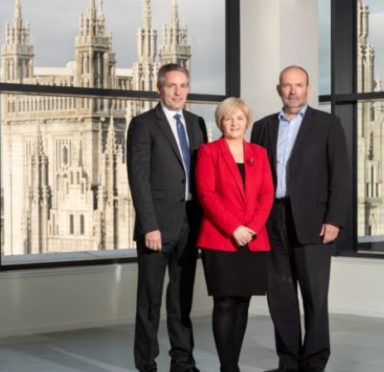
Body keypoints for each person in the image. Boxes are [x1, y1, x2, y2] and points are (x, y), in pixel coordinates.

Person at [251, 66, 349, 372]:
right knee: (280, 297)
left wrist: (334, 219)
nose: (293, 91)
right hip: (272, 220)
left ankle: (315, 361)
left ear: (307, 88)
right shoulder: (263, 126)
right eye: (287, 86)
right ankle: (288, 361)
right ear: (278, 89)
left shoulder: (328, 125)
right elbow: (255, 177)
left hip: (314, 221)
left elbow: (341, 176)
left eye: (299, 85)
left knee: (314, 297)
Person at [127, 63, 207, 372]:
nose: (178, 91)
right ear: (160, 88)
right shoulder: (144, 124)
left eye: (183, 85)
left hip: (190, 224)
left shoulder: (197, 123)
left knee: (181, 299)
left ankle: (183, 363)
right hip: (157, 228)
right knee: (149, 303)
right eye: (172, 85)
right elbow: (139, 178)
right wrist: (150, 225)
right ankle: (146, 365)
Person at [195, 97, 274, 372]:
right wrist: (234, 228)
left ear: (246, 121)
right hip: (221, 239)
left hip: (253, 240)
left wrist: (250, 228)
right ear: (221, 122)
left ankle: (234, 364)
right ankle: (226, 367)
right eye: (229, 118)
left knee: (242, 303)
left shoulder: (259, 153)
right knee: (225, 302)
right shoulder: (208, 152)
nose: (234, 123)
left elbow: (267, 195)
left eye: (239, 118)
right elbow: (206, 194)